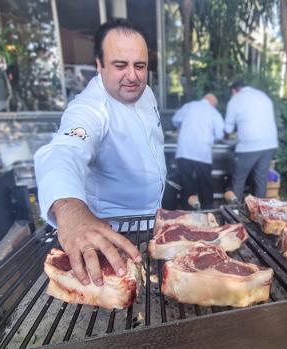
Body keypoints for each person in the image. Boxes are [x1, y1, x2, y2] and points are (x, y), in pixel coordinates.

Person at [34, 20, 166, 287]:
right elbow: (64, 150)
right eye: (120, 65)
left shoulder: (145, 92)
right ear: (99, 64)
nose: (132, 75)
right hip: (113, 235)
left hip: (154, 220)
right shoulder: (90, 109)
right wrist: (70, 210)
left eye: (139, 66)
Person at [224, 80, 278, 200]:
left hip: (249, 145)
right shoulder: (262, 95)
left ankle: (234, 211)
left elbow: (228, 128)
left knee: (239, 178)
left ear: (234, 90)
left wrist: (226, 137)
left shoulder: (236, 99)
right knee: (261, 178)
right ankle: (260, 211)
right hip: (269, 144)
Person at [172, 94, 224, 209]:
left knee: (186, 183)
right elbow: (220, 135)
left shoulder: (189, 106)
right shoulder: (214, 112)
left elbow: (175, 120)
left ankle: (186, 211)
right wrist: (212, 138)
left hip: (184, 151)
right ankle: (208, 210)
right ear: (213, 104)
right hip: (202, 153)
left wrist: (183, 128)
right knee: (205, 183)